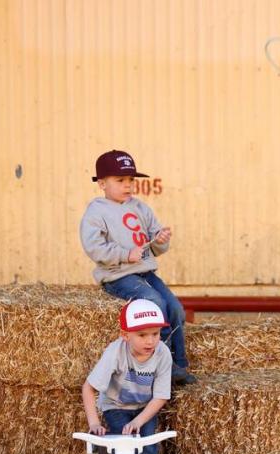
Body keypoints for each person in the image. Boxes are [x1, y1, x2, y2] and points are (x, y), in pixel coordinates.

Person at [79, 149, 196, 385]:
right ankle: (162, 363)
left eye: (131, 180)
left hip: (145, 271)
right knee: (155, 302)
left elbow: (152, 245)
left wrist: (161, 240)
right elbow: (94, 247)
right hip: (118, 275)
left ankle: (179, 363)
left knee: (174, 308)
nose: (128, 185)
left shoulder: (140, 208)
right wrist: (124, 254)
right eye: (120, 180)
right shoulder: (96, 211)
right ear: (102, 183)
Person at [82, 298, 172, 454]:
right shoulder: (115, 352)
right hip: (117, 406)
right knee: (124, 448)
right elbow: (89, 388)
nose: (150, 341)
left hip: (145, 408)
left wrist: (139, 422)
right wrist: (94, 423)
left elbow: (161, 396)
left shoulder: (163, 354)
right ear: (125, 335)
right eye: (142, 335)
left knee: (148, 447)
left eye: (155, 334)